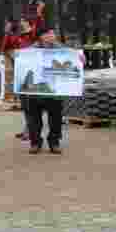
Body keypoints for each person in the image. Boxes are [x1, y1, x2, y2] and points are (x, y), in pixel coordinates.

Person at [25, 27, 83, 155]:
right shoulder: (31, 50)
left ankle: (54, 142)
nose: (53, 36)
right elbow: (22, 62)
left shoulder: (61, 49)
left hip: (54, 91)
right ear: (42, 36)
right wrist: (18, 57)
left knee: (55, 118)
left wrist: (79, 58)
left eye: (53, 33)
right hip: (36, 91)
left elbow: (74, 57)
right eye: (50, 33)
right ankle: (35, 143)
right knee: (34, 119)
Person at [3, 16, 37, 140]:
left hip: (32, 75)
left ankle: (30, 131)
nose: (21, 23)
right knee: (25, 104)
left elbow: (37, 27)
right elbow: (5, 47)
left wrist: (38, 14)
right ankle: (27, 129)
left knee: (31, 105)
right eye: (20, 21)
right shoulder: (16, 37)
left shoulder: (33, 36)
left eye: (24, 21)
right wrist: (7, 32)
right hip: (20, 75)